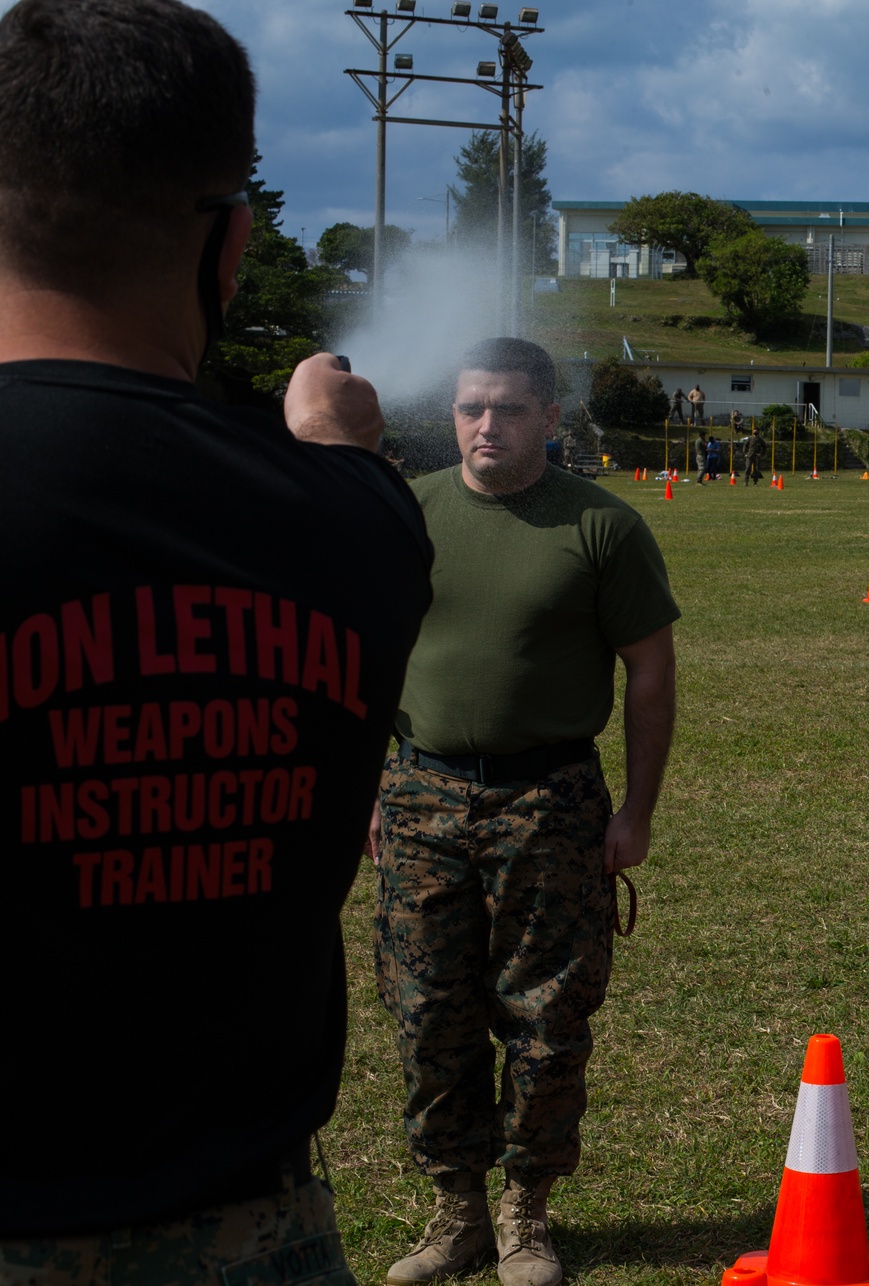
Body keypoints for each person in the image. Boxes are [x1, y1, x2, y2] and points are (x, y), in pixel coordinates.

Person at [0, 2, 432, 1282]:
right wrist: (334, 442)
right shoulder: (359, 524)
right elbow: (340, 502)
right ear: (233, 242)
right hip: (255, 1235)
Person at [368, 338, 680, 1286]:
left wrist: (637, 811)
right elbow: (361, 652)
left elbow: (652, 670)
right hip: (419, 792)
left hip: (550, 799)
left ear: (550, 416)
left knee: (546, 1018)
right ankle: (455, 1211)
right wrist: (364, 791)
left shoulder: (603, 526)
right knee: (426, 1013)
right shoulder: (409, 513)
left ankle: (525, 1213)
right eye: (470, 408)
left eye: (507, 409)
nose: (486, 427)